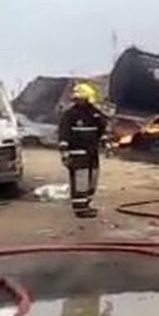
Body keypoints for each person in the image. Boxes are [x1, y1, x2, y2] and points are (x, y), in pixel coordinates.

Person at [58, 82, 109, 218]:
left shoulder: (94, 113)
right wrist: (64, 153)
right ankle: (80, 208)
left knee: (92, 180)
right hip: (77, 153)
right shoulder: (69, 115)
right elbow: (63, 134)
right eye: (77, 98)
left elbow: (102, 128)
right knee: (80, 181)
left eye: (81, 98)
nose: (78, 101)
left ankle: (86, 204)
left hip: (92, 153)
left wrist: (106, 142)